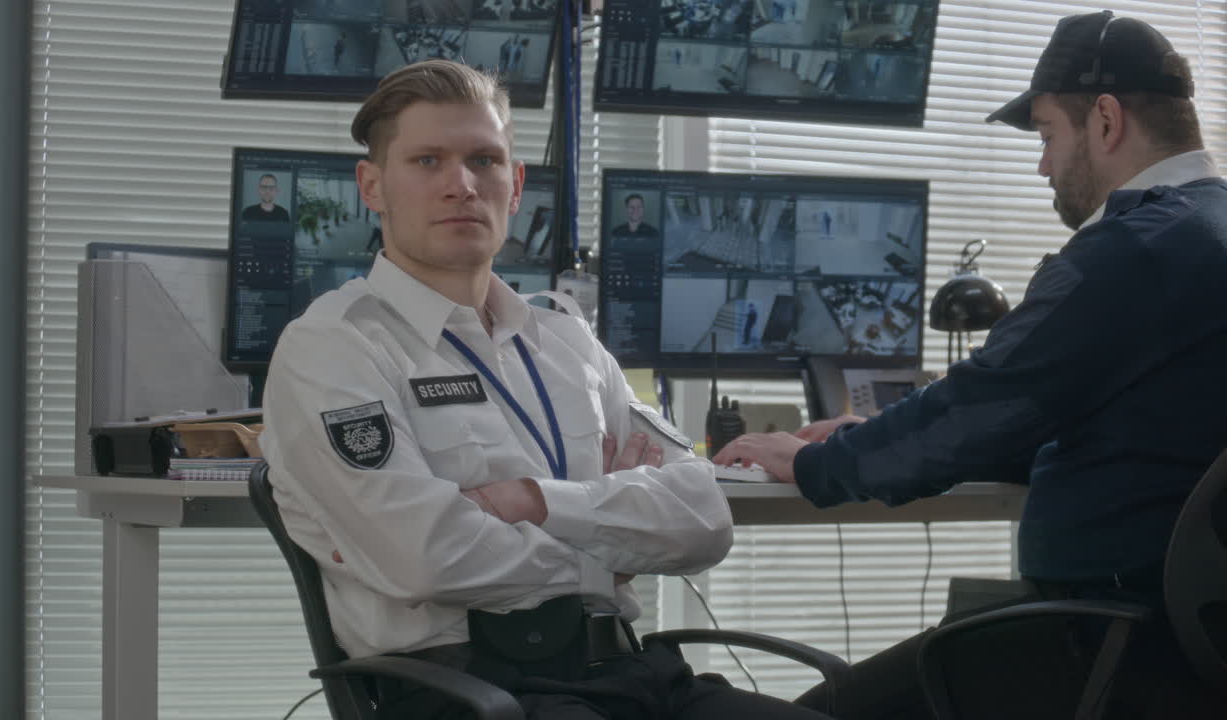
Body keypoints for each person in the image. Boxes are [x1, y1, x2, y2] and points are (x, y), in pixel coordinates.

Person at [259, 59, 832, 720]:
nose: (461, 185)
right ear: (372, 185)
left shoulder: (567, 342)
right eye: (426, 161)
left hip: (631, 672)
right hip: (474, 694)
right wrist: (608, 555)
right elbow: (425, 556)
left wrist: (529, 501)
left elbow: (701, 519)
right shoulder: (334, 348)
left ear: (516, 183)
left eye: (484, 160)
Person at [714, 11, 1226, 719]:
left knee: (817, 712)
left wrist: (808, 465)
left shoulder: (1135, 248)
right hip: (1193, 646)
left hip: (1104, 640)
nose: (1042, 163)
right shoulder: (1206, 236)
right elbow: (1147, 433)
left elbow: (980, 407)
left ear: (1106, 120)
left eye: (1048, 135)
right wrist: (860, 435)